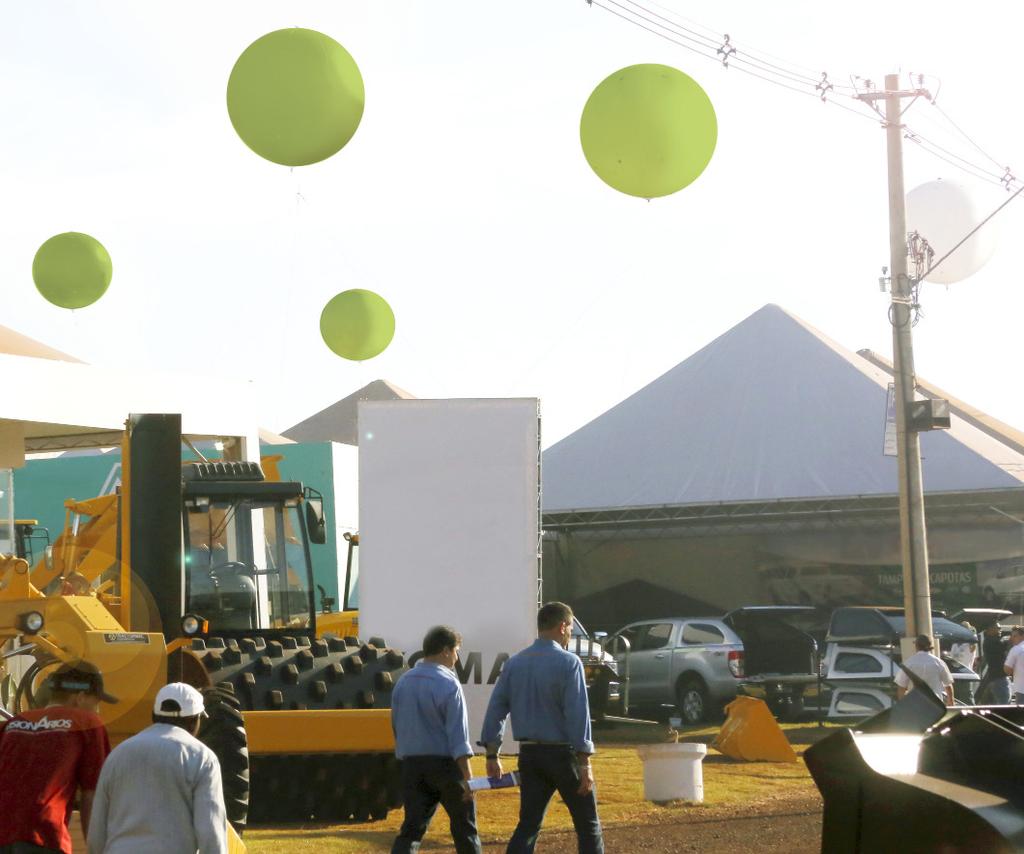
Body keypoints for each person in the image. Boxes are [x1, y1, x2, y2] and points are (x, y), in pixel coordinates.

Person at [481, 601, 603, 854]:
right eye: (570, 628)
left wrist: (492, 753)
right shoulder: (569, 663)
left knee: (528, 825)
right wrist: (585, 761)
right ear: (562, 627)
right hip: (563, 754)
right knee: (587, 824)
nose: (570, 634)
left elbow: (496, 709)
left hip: (531, 755)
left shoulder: (514, 664)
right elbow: (577, 713)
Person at [88, 683, 227, 854]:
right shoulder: (202, 757)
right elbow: (211, 830)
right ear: (193, 721)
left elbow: (97, 830)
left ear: (154, 715)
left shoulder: (117, 755)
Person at [0, 660, 114, 854]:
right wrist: (97, 849)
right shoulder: (86, 723)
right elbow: (91, 795)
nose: (97, 710)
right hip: (44, 837)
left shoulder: (14, 724)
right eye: (96, 703)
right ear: (79, 696)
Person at [390, 625, 481, 854]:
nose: (457, 658)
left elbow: (396, 725)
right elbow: (458, 737)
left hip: (412, 765)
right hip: (446, 766)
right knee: (465, 830)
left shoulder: (403, 682)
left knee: (411, 831)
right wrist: (469, 777)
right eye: (456, 651)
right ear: (445, 651)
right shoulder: (449, 683)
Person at [894, 634, 954, 706]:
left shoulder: (909, 662)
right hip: (936, 704)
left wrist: (902, 705)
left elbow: (901, 687)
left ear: (916, 646)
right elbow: (948, 685)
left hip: (917, 703)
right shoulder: (939, 662)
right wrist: (951, 703)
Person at [977, 624, 1011, 704]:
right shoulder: (991, 642)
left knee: (996, 704)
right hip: (998, 677)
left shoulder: (992, 641)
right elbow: (1004, 646)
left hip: (996, 677)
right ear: (989, 629)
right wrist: (1011, 640)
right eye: (998, 628)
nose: (1000, 630)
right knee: (1004, 704)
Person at [1003, 626, 1024, 705]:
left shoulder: (1016, 649)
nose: (1012, 638)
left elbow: (1007, 670)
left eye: (1015, 636)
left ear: (1022, 636)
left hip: (1021, 689)